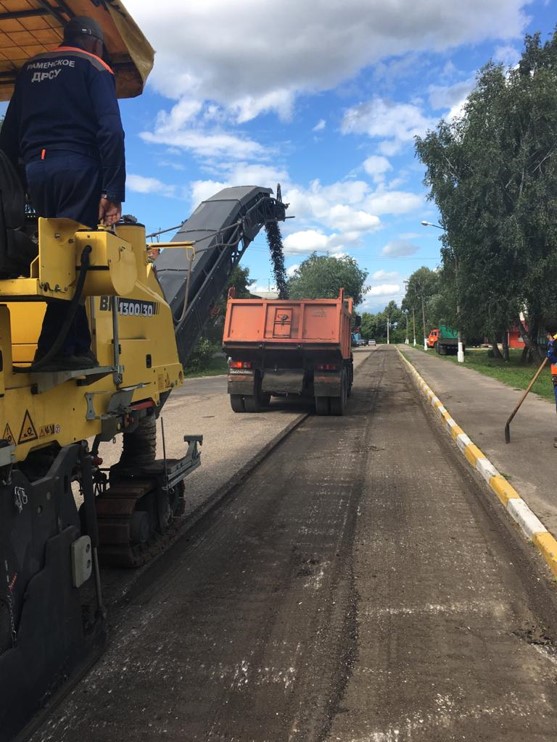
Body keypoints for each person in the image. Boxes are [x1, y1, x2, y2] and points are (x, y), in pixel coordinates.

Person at [0, 15, 125, 370]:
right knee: (71, 258)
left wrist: (13, 187)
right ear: (96, 43)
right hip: (77, 167)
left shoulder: (30, 69)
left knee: (55, 253)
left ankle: (74, 344)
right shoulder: (94, 67)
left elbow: (9, 135)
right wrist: (112, 190)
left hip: (36, 171)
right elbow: (112, 131)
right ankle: (56, 349)